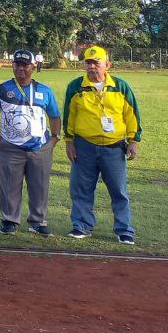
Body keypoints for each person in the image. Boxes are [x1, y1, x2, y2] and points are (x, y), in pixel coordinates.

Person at [63, 45, 141, 244]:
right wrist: (69, 141)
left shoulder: (121, 87)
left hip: (114, 148)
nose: (91, 67)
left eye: (95, 62)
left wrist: (133, 141)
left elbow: (131, 116)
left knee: (118, 191)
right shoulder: (75, 87)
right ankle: (81, 226)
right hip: (84, 146)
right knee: (81, 189)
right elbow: (69, 117)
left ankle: (124, 230)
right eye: (88, 63)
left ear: (107, 64)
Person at [0, 48, 61, 236]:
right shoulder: (2, 89)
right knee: (9, 186)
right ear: (12, 65)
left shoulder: (44, 91)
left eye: (25, 65)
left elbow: (54, 116)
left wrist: (54, 139)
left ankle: (38, 222)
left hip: (40, 147)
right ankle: (9, 220)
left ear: (33, 67)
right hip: (10, 147)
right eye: (17, 64)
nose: (21, 68)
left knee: (40, 186)